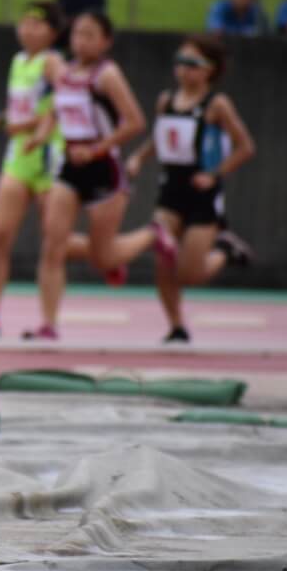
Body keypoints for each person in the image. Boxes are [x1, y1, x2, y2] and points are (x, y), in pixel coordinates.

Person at [116, 36, 256, 343]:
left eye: (192, 64)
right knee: (163, 260)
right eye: (179, 62)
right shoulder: (166, 101)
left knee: (190, 273)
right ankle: (176, 325)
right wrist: (139, 157)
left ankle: (225, 251)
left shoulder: (216, 105)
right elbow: (161, 137)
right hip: (171, 189)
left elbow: (245, 147)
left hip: (201, 191)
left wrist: (215, 173)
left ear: (210, 70)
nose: (183, 70)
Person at [27, 12, 151, 340]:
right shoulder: (64, 73)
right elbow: (55, 109)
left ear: (106, 41)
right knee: (53, 242)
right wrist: (41, 135)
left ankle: (154, 235)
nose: (81, 41)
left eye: (90, 35)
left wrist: (97, 148)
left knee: (102, 256)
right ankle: (48, 324)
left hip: (104, 168)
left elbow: (135, 122)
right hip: (70, 166)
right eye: (77, 33)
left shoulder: (106, 75)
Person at [0, 1, 65, 338]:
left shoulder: (53, 63)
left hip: (48, 156)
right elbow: (18, 111)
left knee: (52, 241)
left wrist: (38, 131)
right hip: (18, 157)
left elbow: (67, 105)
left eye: (37, 24)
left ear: (52, 31)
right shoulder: (19, 62)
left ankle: (49, 322)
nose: (28, 30)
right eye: (24, 23)